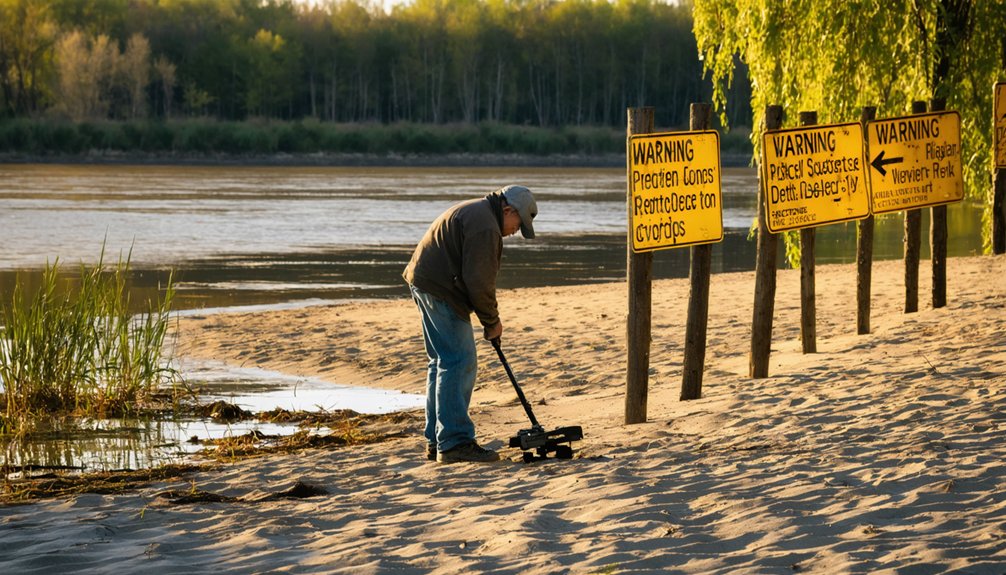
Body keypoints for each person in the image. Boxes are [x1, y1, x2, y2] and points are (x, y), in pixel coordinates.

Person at [403, 184, 537, 463]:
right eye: (517, 224)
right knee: (459, 361)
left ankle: (436, 439)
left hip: (425, 281)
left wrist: (487, 319)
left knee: (440, 362)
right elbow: (479, 283)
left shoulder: (479, 213)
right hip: (440, 289)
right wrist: (492, 322)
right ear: (508, 209)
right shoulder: (486, 226)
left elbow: (473, 278)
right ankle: (454, 443)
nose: (514, 231)